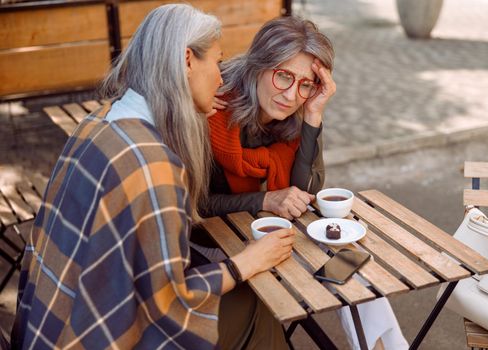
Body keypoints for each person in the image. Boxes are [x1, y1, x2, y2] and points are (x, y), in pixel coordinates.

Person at [10, 5, 293, 349]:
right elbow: (170, 303)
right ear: (187, 60)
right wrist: (246, 262)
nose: (221, 78)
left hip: (46, 322)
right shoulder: (153, 163)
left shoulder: (99, 122)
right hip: (92, 336)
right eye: (217, 62)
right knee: (253, 304)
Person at [197, 16, 409, 350]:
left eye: (306, 84)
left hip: (263, 231)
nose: (291, 94)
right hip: (213, 245)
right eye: (284, 76)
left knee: (353, 267)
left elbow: (307, 190)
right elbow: (195, 205)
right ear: (259, 65)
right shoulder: (212, 108)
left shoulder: (299, 111)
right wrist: (264, 200)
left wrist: (313, 117)